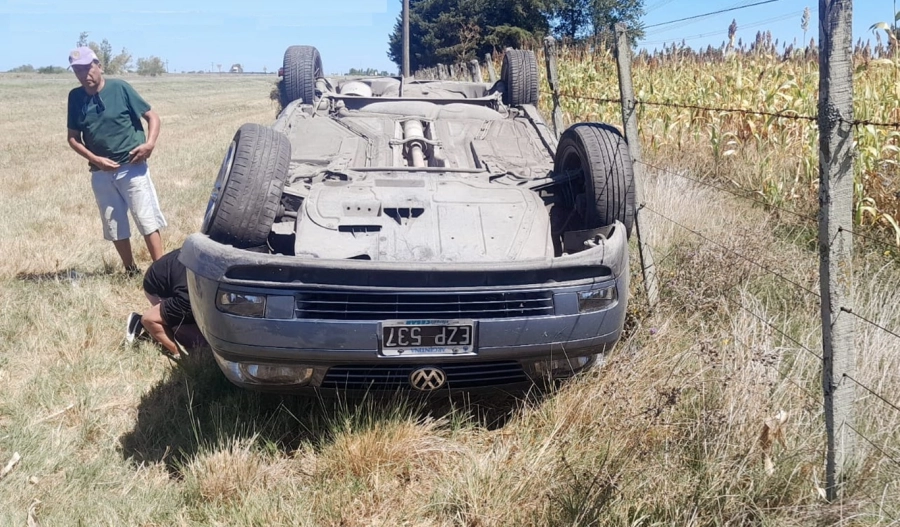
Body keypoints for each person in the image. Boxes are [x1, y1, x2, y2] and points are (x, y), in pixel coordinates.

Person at [66, 46, 166, 274]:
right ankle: (130, 269)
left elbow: (152, 116)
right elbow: (73, 138)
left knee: (146, 219)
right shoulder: (75, 97)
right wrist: (96, 160)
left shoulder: (119, 88)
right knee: (114, 223)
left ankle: (161, 271)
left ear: (99, 66)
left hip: (132, 167)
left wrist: (149, 144)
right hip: (100, 173)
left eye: (87, 68)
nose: (84, 75)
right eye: (77, 71)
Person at [126, 247, 205, 360]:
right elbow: (148, 319)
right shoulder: (188, 297)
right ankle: (145, 325)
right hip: (157, 288)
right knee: (200, 343)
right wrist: (179, 353)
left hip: (170, 273)